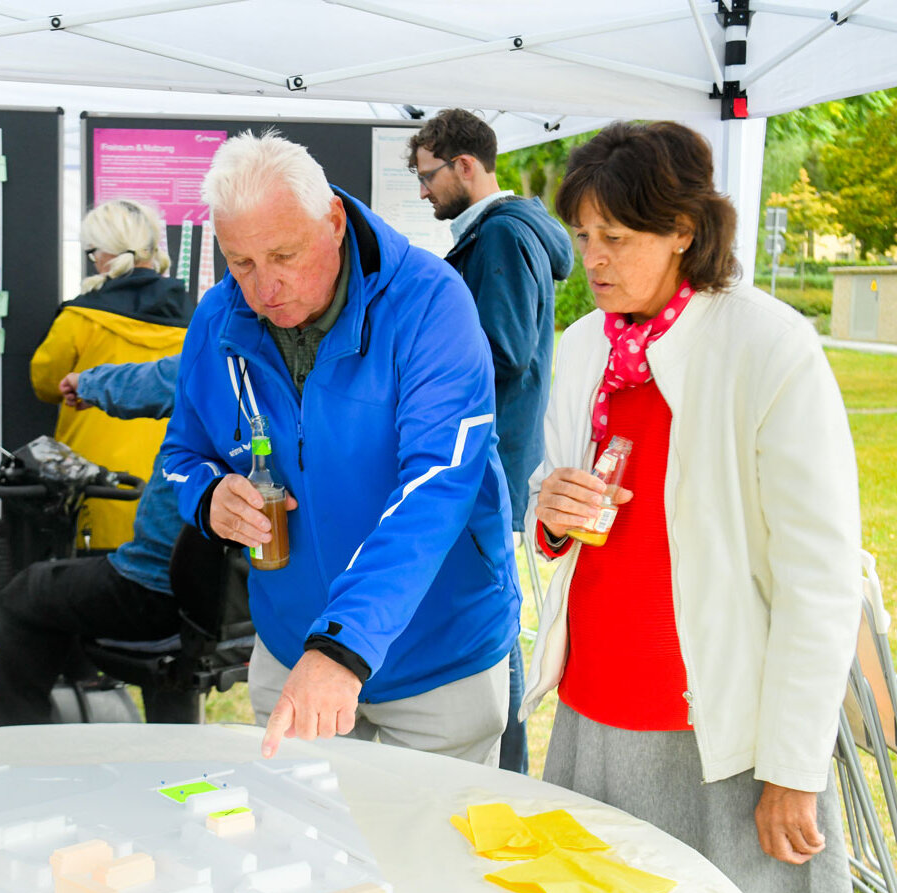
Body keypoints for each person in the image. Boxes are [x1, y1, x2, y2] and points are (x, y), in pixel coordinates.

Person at [525, 121, 861, 893]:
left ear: (684, 230)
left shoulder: (767, 345)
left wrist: (792, 765)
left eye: (617, 237)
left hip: (711, 722)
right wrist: (552, 513)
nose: (593, 259)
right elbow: (556, 510)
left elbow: (818, 577)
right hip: (595, 701)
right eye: (582, 237)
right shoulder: (579, 347)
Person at [161, 131, 520, 763]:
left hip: (435, 653)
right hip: (293, 646)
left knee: (430, 855)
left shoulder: (430, 303)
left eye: (283, 255)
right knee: (302, 852)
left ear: (332, 220)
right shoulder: (217, 318)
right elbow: (179, 457)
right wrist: (208, 497)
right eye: (240, 262)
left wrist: (344, 646)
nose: (263, 289)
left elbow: (438, 485)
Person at [407, 107, 574, 775]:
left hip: (488, 462)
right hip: (491, 459)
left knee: (490, 623)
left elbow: (498, 352)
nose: (422, 192)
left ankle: (505, 770)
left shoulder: (501, 238)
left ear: (465, 166)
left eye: (427, 177)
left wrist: (419, 352)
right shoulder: (501, 234)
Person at [0, 354, 189, 730]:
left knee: (24, 596)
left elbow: (157, 378)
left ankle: (15, 745)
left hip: (154, 589)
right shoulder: (284, 374)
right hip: (232, 598)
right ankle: (175, 741)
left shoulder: (221, 347)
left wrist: (87, 384)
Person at [29, 199, 188, 551]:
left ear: (102, 255)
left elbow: (44, 384)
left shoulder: (79, 319)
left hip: (93, 491)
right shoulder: (196, 324)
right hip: (170, 497)